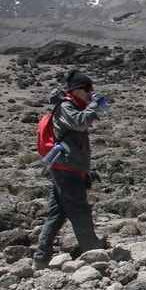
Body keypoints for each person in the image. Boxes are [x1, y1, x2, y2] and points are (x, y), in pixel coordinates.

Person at [34, 69, 109, 268]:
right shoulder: (66, 106)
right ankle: (92, 250)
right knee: (79, 210)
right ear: (78, 89)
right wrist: (94, 105)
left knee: (57, 214)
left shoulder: (72, 105)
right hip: (66, 167)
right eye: (88, 89)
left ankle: (41, 257)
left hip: (67, 166)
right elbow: (80, 123)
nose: (90, 92)